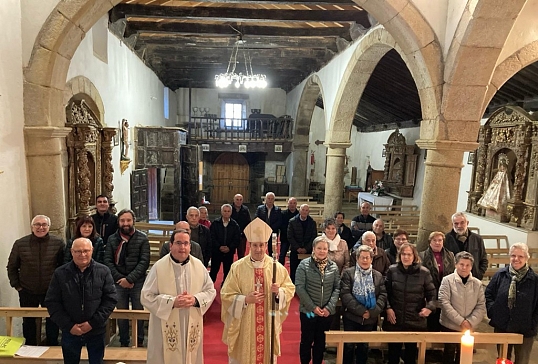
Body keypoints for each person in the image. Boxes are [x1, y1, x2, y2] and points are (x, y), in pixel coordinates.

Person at [221, 218, 295, 364]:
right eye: (255, 245)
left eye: (261, 245)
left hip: (268, 321)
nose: (258, 249)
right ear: (249, 245)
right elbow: (226, 294)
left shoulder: (276, 267)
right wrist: (245, 300)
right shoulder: (238, 267)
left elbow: (290, 289)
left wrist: (279, 292)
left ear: (266, 246)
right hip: (245, 324)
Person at [141, 229, 216, 364]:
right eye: (178, 243)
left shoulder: (198, 265)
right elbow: (146, 296)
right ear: (171, 245)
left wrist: (195, 299)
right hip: (165, 327)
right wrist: (171, 302)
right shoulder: (159, 267)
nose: (182, 247)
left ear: (190, 246)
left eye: (186, 243)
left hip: (191, 322)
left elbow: (210, 290)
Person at [45, 238, 117, 364]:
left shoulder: (103, 271)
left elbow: (110, 299)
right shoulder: (60, 273)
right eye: (78, 251)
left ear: (92, 251)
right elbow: (52, 302)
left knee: (97, 362)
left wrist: (92, 323)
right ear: (72, 252)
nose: (82, 254)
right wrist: (69, 325)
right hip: (70, 329)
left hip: (95, 329)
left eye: (86, 251)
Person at [7, 215, 64, 346]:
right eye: (37, 225)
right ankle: (30, 346)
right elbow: (12, 266)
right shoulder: (20, 243)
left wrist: (59, 287)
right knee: (28, 320)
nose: (41, 227)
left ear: (49, 227)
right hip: (27, 290)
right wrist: (17, 285)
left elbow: (62, 267)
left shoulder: (58, 243)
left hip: (50, 290)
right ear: (32, 227)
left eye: (44, 225)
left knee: (53, 319)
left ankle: (52, 345)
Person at [485, 242, 538, 364]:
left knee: (522, 360)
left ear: (526, 258)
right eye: (513, 255)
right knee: (503, 359)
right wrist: (493, 312)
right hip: (503, 325)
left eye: (520, 256)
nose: (516, 259)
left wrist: (533, 322)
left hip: (525, 329)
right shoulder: (500, 275)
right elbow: (488, 294)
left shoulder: (534, 280)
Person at [383, 243, 436, 364]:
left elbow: (432, 295)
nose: (406, 257)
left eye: (409, 254)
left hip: (414, 319)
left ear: (414, 256)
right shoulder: (392, 270)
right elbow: (385, 293)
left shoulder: (424, 273)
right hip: (395, 319)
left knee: (411, 355)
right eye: (403, 254)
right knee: (393, 354)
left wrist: (429, 308)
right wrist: (388, 308)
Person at [104, 208, 150, 347]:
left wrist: (130, 279)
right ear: (118, 222)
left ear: (133, 221)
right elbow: (108, 261)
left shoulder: (142, 238)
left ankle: (139, 340)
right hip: (118, 283)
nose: (125, 223)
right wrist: (121, 279)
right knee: (122, 313)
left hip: (137, 282)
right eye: (122, 220)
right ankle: (124, 341)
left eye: (128, 220)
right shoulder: (112, 239)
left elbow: (144, 262)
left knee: (138, 312)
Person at [296, 236, 341, 364]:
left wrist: (329, 307)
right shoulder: (304, 265)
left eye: (325, 249)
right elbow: (299, 287)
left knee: (320, 341)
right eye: (319, 248)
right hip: (308, 311)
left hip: (326, 312)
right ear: (314, 249)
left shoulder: (333, 267)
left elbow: (337, 287)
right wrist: (313, 308)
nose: (322, 251)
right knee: (307, 340)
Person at [341, 245, 387, 364]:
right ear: (357, 258)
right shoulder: (348, 273)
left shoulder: (377, 275)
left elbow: (382, 295)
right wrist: (361, 311)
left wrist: (372, 312)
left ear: (372, 259)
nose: (365, 260)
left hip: (370, 318)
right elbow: (345, 294)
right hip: (351, 316)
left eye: (367, 258)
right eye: (362, 257)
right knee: (349, 346)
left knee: (364, 347)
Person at [439, 251, 486, 364]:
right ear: (456, 264)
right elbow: (444, 302)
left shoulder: (477, 283)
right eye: (461, 264)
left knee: (464, 355)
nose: (464, 268)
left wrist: (470, 321)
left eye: (467, 265)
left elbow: (481, 305)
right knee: (449, 354)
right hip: (450, 325)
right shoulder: (447, 280)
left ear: (471, 266)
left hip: (469, 326)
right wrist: (460, 321)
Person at [419, 231, 455, 332]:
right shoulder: (422, 256)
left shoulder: (450, 255)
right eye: (434, 240)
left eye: (440, 240)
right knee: (432, 322)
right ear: (430, 242)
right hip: (429, 292)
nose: (437, 242)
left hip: (446, 291)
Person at [444, 212, 488, 280]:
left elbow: (484, 259)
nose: (459, 226)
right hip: (452, 278)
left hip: (472, 278)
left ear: (467, 223)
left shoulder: (477, 239)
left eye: (462, 223)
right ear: (452, 224)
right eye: (456, 223)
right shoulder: (446, 239)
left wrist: (479, 274)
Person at [209, 204, 241, 284]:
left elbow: (237, 239)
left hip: (229, 252)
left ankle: (225, 288)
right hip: (217, 252)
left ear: (231, 212)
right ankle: (209, 287)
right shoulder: (215, 223)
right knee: (214, 271)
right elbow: (212, 237)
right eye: (225, 211)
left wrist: (229, 247)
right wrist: (219, 247)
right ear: (221, 212)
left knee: (227, 272)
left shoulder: (235, 225)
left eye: (228, 211)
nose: (226, 213)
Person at [288, 204, 318, 283]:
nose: (304, 212)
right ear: (299, 210)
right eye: (303, 210)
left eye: (306, 210)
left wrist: (306, 248)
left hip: (307, 250)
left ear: (308, 212)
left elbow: (313, 237)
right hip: (295, 250)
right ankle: (294, 286)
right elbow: (290, 236)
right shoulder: (292, 221)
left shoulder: (312, 222)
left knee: (307, 270)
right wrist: (298, 248)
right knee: (294, 269)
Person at [255, 191, 282, 256]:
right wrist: (263, 227)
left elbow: (279, 221)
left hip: (273, 232)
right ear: (265, 199)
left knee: (271, 250)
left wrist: (270, 228)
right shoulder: (260, 208)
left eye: (272, 199)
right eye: (268, 198)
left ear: (274, 200)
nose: (270, 200)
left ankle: (270, 264)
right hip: (261, 232)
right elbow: (256, 219)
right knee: (260, 249)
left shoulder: (277, 209)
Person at [279, 197, 299, 265]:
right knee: (282, 256)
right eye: (290, 203)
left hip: (296, 239)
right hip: (285, 238)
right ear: (288, 204)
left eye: (294, 203)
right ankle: (280, 271)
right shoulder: (283, 214)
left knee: (295, 257)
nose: (292, 205)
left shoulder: (299, 214)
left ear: (296, 204)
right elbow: (281, 226)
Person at [231, 193, 252, 259]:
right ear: (234, 200)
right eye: (237, 199)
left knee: (241, 254)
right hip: (231, 235)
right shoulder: (230, 209)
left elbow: (248, 222)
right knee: (230, 254)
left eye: (240, 200)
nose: (238, 201)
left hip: (242, 235)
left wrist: (245, 232)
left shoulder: (245, 210)